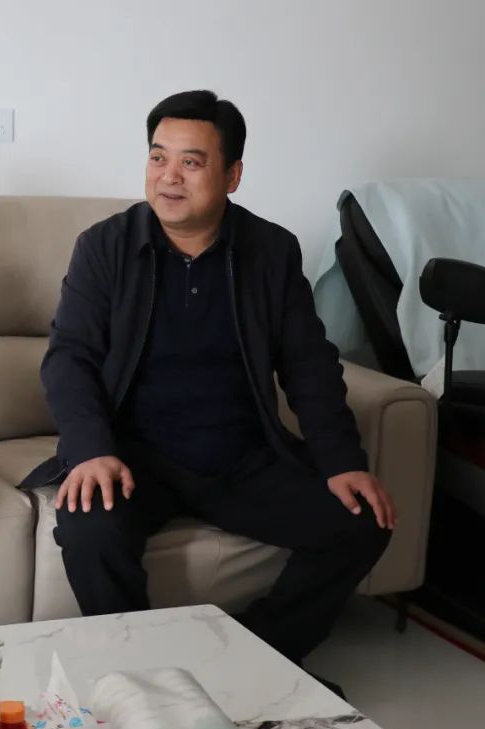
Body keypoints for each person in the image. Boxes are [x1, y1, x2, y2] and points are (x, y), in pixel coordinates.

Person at [23, 90, 395, 672]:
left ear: (232, 175)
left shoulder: (271, 251)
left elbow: (308, 364)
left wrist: (342, 461)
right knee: (89, 527)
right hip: (134, 457)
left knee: (363, 520)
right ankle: (141, 673)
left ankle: (246, 660)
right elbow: (69, 358)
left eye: (191, 162)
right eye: (157, 157)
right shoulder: (105, 246)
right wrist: (91, 450)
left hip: (242, 457)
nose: (168, 176)